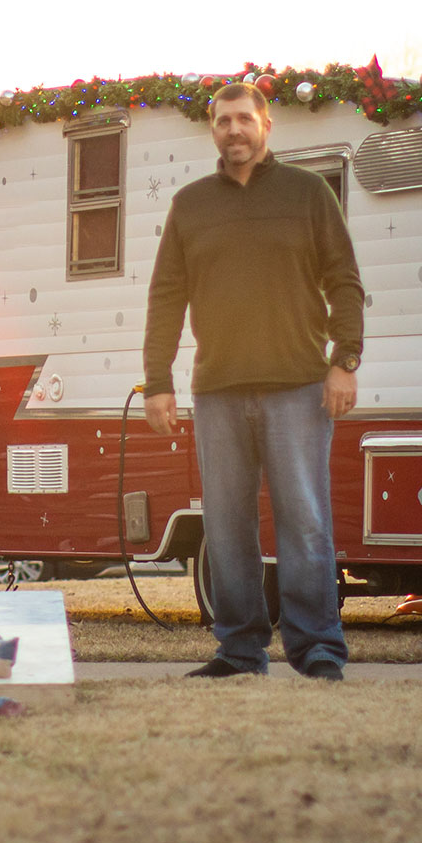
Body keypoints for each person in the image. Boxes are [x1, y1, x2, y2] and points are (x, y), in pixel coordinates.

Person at [142, 80, 364, 681]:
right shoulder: (191, 204)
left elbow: (344, 280)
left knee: (305, 520)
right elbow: (166, 295)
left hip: (297, 385)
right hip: (218, 389)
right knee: (226, 525)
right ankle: (239, 651)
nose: (233, 131)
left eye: (243, 119)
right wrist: (157, 380)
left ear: (265, 125)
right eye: (222, 122)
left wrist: (344, 361)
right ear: (213, 131)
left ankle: (317, 648)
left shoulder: (308, 193)